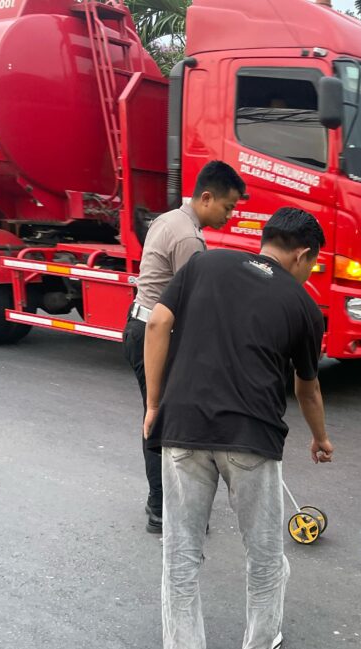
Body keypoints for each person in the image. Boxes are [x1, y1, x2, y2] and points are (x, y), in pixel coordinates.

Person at [142, 207, 333, 649]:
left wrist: (153, 405)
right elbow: (307, 388)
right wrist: (320, 438)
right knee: (265, 553)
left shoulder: (204, 264)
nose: (310, 271)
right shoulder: (304, 306)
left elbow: (156, 324)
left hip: (183, 427)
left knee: (181, 551)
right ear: (302, 253)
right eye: (313, 263)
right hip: (253, 438)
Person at [123, 160, 245, 533]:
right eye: (227, 207)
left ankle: (164, 506)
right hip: (156, 334)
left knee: (160, 418)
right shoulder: (189, 238)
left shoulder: (169, 219)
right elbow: (196, 306)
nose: (230, 216)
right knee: (162, 421)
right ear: (206, 197)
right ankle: (162, 511)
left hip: (142, 326)